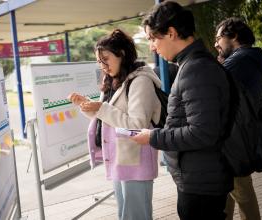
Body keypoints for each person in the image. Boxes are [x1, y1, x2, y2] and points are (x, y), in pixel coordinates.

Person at [131, 1, 233, 219]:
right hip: (199, 176)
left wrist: (154, 137)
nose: (152, 46)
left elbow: (203, 132)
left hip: (201, 183)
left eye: (152, 38)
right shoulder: (193, 65)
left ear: (171, 32)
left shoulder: (197, 69)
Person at [68, 29, 162, 220]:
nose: (102, 65)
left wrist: (101, 108)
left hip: (136, 160)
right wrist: (87, 106)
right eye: (99, 61)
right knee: (125, 215)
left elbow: (137, 124)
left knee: (137, 215)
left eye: (106, 59)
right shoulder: (113, 80)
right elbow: (107, 118)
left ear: (122, 54)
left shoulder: (140, 81)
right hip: (120, 159)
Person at [215, 17, 262, 220]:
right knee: (228, 191)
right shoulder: (248, 59)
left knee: (241, 192)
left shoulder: (241, 60)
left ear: (234, 37)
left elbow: (211, 84)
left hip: (234, 138)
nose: (216, 44)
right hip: (239, 135)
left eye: (219, 38)